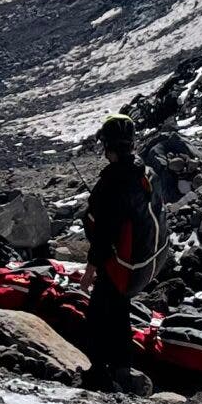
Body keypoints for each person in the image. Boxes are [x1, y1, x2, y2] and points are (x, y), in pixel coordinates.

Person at [80, 114, 150, 385]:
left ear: (109, 145)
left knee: (98, 314)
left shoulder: (113, 181)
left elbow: (104, 233)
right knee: (120, 309)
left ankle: (99, 373)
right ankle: (122, 367)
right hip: (133, 260)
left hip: (115, 260)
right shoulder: (140, 171)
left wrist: (90, 269)